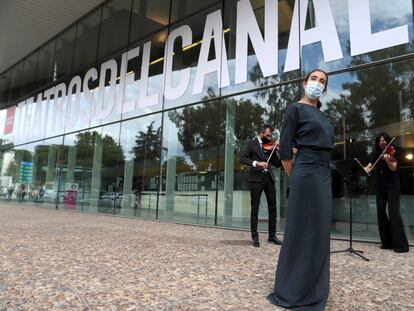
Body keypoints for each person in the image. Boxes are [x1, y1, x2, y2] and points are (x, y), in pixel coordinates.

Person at [267, 69, 334, 310]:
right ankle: (293, 289)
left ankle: (313, 287)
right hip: (305, 173)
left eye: (322, 81)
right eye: (314, 79)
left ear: (324, 90)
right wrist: (296, 179)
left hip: (324, 174)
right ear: (305, 83)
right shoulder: (294, 108)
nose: (317, 83)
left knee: (319, 232)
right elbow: (285, 151)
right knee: (301, 231)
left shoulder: (323, 116)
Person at [363, 133, 409, 253]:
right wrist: (364, 168)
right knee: (381, 213)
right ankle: (387, 242)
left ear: (387, 141)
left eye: (384, 141)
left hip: (392, 186)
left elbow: (393, 168)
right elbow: (369, 166)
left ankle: (401, 245)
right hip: (381, 187)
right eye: (379, 141)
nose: (382, 143)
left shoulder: (392, 152)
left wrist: (388, 160)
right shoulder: (375, 153)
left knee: (394, 213)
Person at [240, 124, 282, 247]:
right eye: (267, 135)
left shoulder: (271, 146)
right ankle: (255, 237)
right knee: (255, 208)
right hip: (255, 179)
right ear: (261, 133)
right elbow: (242, 158)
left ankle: (272, 236)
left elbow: (276, 163)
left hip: (268, 178)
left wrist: (287, 155)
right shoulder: (251, 144)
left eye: (271, 136)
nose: (269, 138)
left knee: (273, 207)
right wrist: (256, 163)